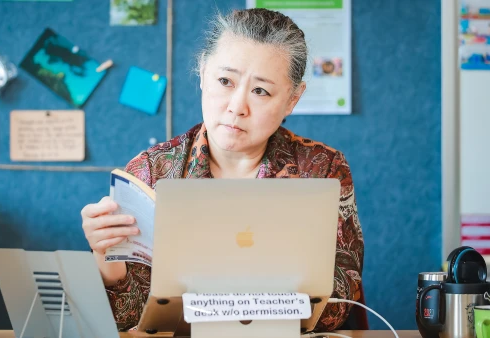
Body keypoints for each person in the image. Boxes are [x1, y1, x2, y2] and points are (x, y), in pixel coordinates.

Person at [81, 7, 364, 332]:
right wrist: (106, 256)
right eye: (225, 81)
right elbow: (127, 319)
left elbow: (339, 303)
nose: (236, 107)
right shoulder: (150, 171)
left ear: (292, 100)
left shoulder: (322, 169)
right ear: (202, 73)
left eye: (261, 91)